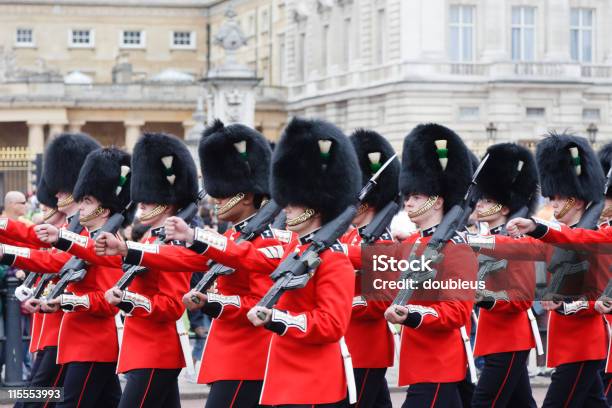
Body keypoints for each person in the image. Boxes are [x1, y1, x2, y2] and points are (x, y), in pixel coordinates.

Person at [95, 121, 291, 407]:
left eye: (223, 194)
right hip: (230, 358)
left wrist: (213, 302)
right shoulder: (233, 236)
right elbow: (182, 258)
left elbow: (260, 301)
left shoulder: (268, 240)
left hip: (249, 359)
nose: (216, 199)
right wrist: (127, 249)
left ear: (247, 196)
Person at [40, 133, 197, 408]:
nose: (143, 204)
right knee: (46, 396)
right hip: (128, 351)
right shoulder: (148, 242)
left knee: (46, 397)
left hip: (143, 351)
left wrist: (124, 300)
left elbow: (172, 305)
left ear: (167, 201)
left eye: (149, 199)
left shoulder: (166, 244)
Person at [469, 132, 609, 407]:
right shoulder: (562, 236)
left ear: (578, 200)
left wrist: (566, 305)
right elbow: (522, 249)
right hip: (569, 345)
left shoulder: (596, 237)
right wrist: (476, 242)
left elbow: (600, 292)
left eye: (558, 198)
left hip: (582, 343)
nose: (552, 204)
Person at [4, 146, 131, 408]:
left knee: (42, 398)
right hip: (69, 340)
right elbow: (53, 260)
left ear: (104, 209)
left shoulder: (107, 242)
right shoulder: (83, 236)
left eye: (87, 201)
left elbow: (105, 299)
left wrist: (66, 301)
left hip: (86, 344)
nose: (78, 203)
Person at [245, 117, 358, 406]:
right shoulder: (294, 249)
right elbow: (248, 257)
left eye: (294, 202)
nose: (287, 207)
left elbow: (332, 325)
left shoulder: (333, 259)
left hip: (312, 385)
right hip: (285, 379)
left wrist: (277, 318)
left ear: (314, 205)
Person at [383, 123, 477, 408]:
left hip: (438, 364)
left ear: (436, 201)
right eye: (407, 197)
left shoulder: (457, 249)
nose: (408, 204)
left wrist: (410, 315)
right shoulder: (413, 242)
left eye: (416, 197)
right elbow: (364, 257)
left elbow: (456, 312)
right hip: (421, 364)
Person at [468, 143, 540, 408]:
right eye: (481, 198)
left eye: (488, 200)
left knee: (484, 402)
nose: (480, 204)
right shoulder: (483, 239)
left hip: (509, 338)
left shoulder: (518, 242)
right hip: (494, 336)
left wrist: (484, 298)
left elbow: (521, 298)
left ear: (505, 208)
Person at [339, 129, 399, 408]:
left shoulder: (383, 241)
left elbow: (379, 301)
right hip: (350, 347)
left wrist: (336, 307)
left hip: (366, 349)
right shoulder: (350, 236)